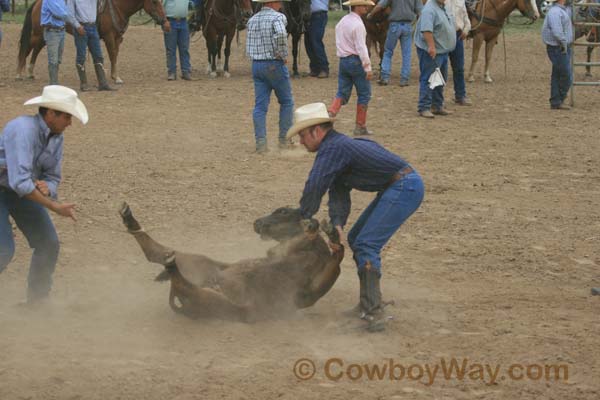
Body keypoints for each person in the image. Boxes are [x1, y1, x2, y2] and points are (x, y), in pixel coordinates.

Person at [286, 102, 424, 332]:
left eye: (302, 135)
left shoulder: (333, 149)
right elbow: (338, 191)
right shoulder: (339, 147)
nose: (301, 142)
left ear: (316, 131)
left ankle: (373, 312)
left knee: (366, 243)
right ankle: (368, 304)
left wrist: (303, 216)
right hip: (401, 185)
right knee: (357, 238)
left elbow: (316, 184)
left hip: (404, 187)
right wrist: (338, 223)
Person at [0, 85, 88, 305]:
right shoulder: (21, 130)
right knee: (3, 250)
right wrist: (54, 206)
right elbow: (20, 182)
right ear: (50, 114)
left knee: (48, 243)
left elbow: (52, 177)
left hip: (20, 191)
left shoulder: (56, 137)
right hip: (13, 188)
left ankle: (37, 302)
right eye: (67, 116)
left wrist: (49, 188)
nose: (70, 122)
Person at [246, 0, 295, 153]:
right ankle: (284, 139)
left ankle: (261, 142)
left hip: (256, 64)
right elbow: (281, 34)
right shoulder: (278, 17)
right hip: (273, 64)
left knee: (260, 106)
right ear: (273, 2)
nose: (281, 4)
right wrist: (282, 53)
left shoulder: (252, 20)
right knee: (286, 101)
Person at [327, 0, 375, 136]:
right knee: (364, 94)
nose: (366, 7)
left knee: (342, 92)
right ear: (357, 6)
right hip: (356, 61)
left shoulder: (343, 21)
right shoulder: (358, 25)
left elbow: (338, 33)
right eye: (364, 5)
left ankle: (331, 112)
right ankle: (360, 126)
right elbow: (361, 47)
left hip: (343, 61)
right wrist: (368, 67)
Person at [414, 0, 456, 118]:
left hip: (442, 50)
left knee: (439, 78)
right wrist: (431, 46)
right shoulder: (429, 9)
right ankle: (424, 107)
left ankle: (437, 105)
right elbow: (427, 30)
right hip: (433, 51)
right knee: (428, 78)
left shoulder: (443, 6)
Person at [367, 0, 423, 86]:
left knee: (388, 52)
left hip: (394, 26)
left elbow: (380, 6)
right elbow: (420, 12)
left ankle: (385, 77)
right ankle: (404, 79)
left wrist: (371, 14)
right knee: (406, 54)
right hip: (408, 26)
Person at [68, 0, 116, 91]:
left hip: (93, 27)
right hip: (81, 27)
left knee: (98, 55)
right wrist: (77, 26)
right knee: (81, 55)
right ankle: (84, 84)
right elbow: (69, 13)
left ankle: (103, 83)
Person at [41, 0, 85, 85]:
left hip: (61, 30)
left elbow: (66, 11)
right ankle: (53, 84)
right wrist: (77, 25)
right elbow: (61, 14)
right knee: (53, 60)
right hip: (52, 31)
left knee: (58, 59)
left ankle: (54, 82)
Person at [541, 0, 573, 110]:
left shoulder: (563, 10)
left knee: (557, 74)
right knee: (566, 75)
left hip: (560, 47)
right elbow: (557, 31)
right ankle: (560, 98)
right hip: (559, 47)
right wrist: (563, 43)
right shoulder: (555, 12)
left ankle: (555, 101)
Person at [447, 0, 471, 105]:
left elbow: (465, 17)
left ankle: (460, 95)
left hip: (458, 36)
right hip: (443, 35)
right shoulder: (439, 1)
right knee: (438, 68)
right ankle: (436, 99)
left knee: (459, 68)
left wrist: (466, 29)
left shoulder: (461, 1)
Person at [163, 0, 192, 81]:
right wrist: (165, 21)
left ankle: (186, 71)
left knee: (184, 48)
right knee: (171, 49)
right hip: (171, 21)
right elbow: (161, 6)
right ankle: (171, 72)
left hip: (183, 21)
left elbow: (193, 3)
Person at [304, 0, 330, 78]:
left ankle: (324, 69)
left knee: (316, 41)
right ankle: (315, 68)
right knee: (308, 42)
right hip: (309, 16)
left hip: (318, 15)